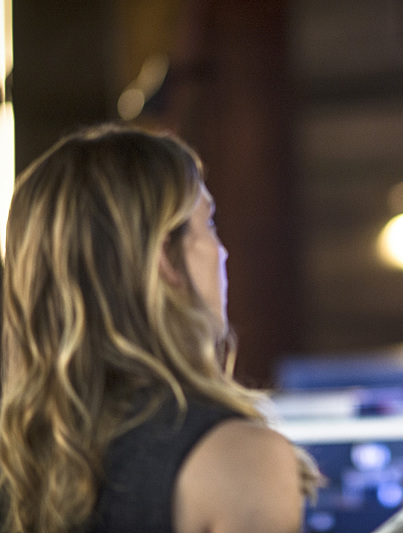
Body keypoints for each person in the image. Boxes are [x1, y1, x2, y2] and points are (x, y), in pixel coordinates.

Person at [0, 124, 319, 533]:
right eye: (209, 224)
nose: (222, 253)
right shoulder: (239, 460)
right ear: (166, 257)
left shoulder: (20, 460)